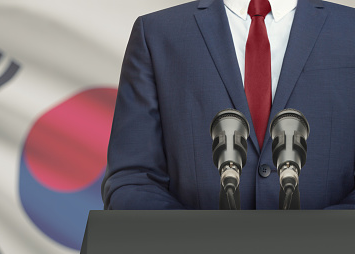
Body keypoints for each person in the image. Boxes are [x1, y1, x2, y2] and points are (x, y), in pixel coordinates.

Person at [102, 0, 355, 210]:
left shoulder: (349, 30)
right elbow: (132, 179)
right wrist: (201, 244)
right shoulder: (158, 34)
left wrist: (320, 240)